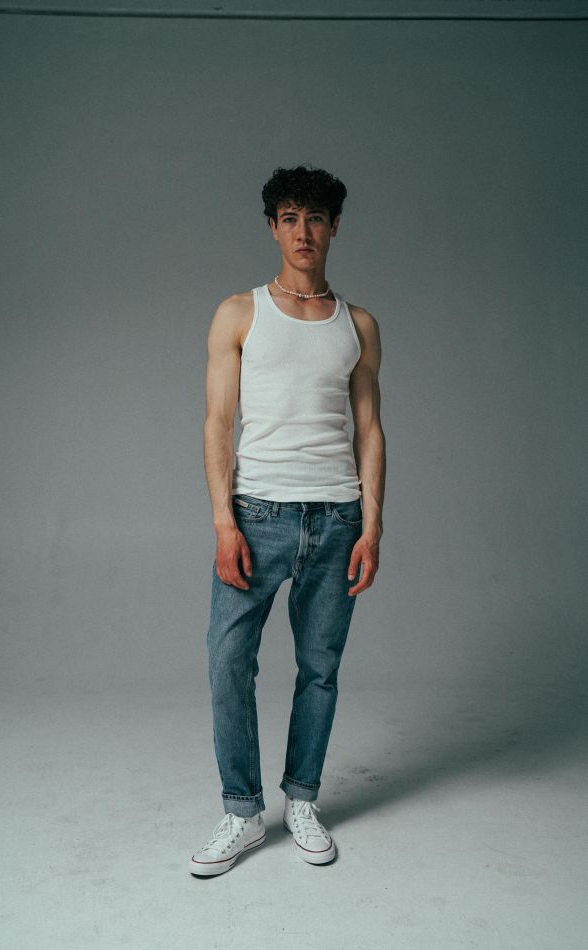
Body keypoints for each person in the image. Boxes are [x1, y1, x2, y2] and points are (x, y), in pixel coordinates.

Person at [190, 164, 385, 876]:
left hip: (337, 517)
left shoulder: (357, 325)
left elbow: (369, 430)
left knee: (320, 669)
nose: (304, 232)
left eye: (316, 218)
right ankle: (243, 812)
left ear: (334, 228)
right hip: (258, 515)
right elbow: (217, 422)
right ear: (273, 227)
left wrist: (372, 525)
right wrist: (223, 523)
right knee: (227, 663)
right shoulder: (238, 313)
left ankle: (301, 800)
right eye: (290, 218)